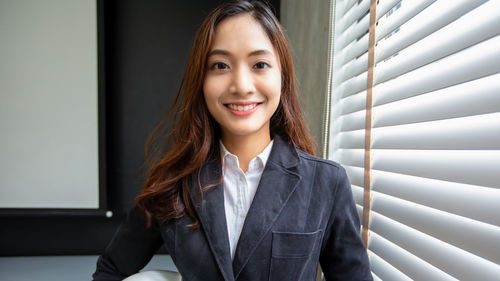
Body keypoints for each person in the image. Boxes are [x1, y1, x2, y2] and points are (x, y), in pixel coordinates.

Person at [93, 1, 372, 280]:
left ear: (283, 76)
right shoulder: (173, 182)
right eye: (221, 65)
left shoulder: (326, 182)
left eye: (260, 64)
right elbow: (110, 271)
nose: (241, 85)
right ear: (201, 80)